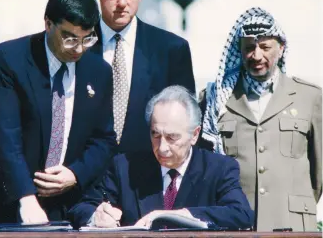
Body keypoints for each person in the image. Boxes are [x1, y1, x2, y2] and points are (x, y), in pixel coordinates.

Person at [0, 0, 117, 230]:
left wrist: (75, 174)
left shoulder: (99, 72)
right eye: (70, 38)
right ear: (48, 24)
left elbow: (103, 139)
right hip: (2, 205)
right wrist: (25, 197)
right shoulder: (6, 61)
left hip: (66, 206)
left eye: (87, 38)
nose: (79, 48)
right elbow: (3, 136)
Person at [198, 7, 322, 231]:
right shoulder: (216, 99)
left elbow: (319, 174)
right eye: (249, 48)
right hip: (235, 225)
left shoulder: (309, 97)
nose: (257, 56)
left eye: (265, 47)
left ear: (281, 48)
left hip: (292, 225)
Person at [69, 86, 253, 230]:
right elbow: (80, 209)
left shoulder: (219, 169)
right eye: (155, 135)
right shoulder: (125, 167)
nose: (162, 148)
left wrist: (181, 215)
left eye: (172, 137)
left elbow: (242, 214)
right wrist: (97, 217)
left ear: (195, 134)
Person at [89, 0, 196, 153]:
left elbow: (185, 123)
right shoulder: (79, 46)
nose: (122, 3)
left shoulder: (172, 50)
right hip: (86, 176)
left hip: (146, 177)